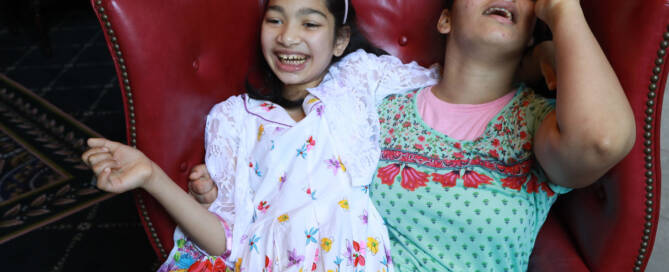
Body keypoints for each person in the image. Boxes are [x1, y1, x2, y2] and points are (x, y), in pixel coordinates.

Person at [190, 0, 636, 271]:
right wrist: (221, 191)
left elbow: (601, 140)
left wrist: (562, 16)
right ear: (444, 20)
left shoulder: (537, 122)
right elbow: (290, 152)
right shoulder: (371, 100)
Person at [82, 0, 448, 271]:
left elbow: (444, 83)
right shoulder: (234, 118)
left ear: (340, 40)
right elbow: (222, 241)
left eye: (310, 23)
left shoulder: (359, 77)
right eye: (275, 19)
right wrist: (151, 175)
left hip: (350, 255)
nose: (288, 37)